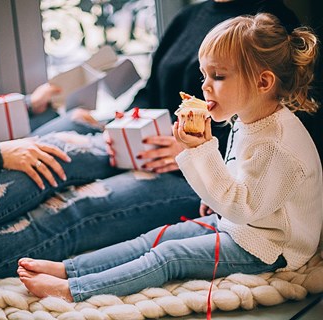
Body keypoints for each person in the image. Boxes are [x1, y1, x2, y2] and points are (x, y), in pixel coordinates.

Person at [0, 0, 309, 283]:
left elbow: (271, 120)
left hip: (194, 175)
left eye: (217, 75)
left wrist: (189, 147)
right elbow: (150, 92)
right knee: (56, 149)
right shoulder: (188, 18)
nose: (205, 83)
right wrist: (120, 123)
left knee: (75, 205)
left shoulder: (270, 25)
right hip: (145, 143)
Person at [16, 13, 323, 302]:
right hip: (245, 225)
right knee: (155, 238)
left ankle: (75, 289)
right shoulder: (249, 117)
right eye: (204, 74)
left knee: (170, 257)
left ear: (263, 83)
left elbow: (243, 208)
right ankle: (72, 269)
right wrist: (215, 196)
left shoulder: (276, 145)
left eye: (218, 76)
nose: (204, 86)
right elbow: (238, 176)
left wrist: (200, 149)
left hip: (270, 246)